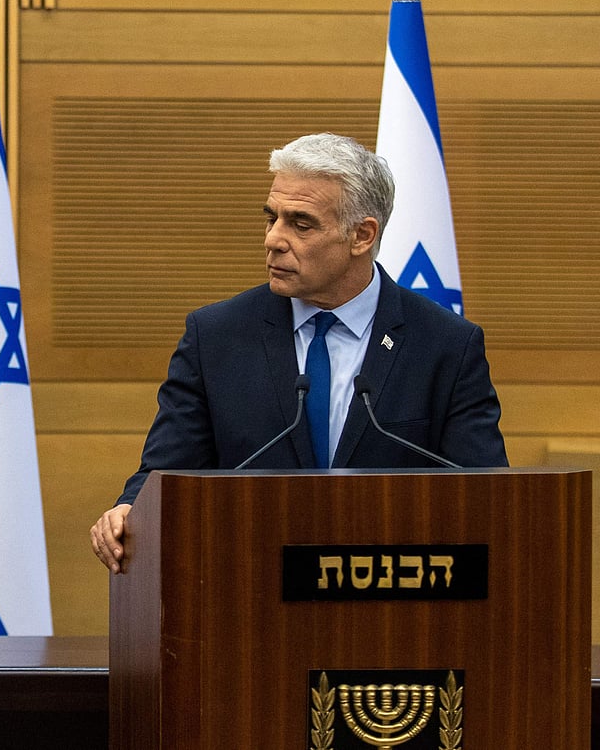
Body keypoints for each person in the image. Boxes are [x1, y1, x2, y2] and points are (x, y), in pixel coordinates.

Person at [90, 132, 506, 573]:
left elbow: (486, 498)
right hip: (248, 588)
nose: (273, 239)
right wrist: (128, 510)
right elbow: (163, 474)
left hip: (392, 599)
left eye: (300, 224)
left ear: (362, 236)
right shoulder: (216, 337)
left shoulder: (444, 345)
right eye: (271, 218)